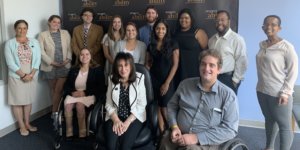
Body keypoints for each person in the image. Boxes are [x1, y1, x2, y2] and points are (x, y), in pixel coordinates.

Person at [159, 49, 239, 150]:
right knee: (165, 142)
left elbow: (230, 129)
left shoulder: (228, 96)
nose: (206, 68)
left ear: (219, 69)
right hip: (178, 135)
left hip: (207, 143)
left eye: (212, 65)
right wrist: (174, 127)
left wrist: (196, 138)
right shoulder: (185, 85)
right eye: (203, 64)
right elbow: (172, 106)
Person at [256, 15, 298, 150]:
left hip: (278, 93)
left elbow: (293, 72)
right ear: (262, 27)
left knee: (284, 126)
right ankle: (269, 147)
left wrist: (286, 93)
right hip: (262, 91)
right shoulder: (262, 44)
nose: (269, 27)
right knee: (269, 120)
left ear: (279, 28)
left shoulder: (286, 47)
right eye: (266, 24)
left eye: (273, 24)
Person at [4, 20, 41, 136]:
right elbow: (10, 63)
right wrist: (23, 75)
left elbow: (38, 59)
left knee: (28, 100)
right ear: (15, 29)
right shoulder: (9, 43)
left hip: (32, 74)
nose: (22, 30)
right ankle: (21, 126)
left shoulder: (34, 42)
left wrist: (31, 74)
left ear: (27, 29)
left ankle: (27, 123)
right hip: (17, 75)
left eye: (24, 28)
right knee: (17, 102)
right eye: (19, 28)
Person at [104, 52, 147, 150]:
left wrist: (127, 122)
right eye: (120, 66)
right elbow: (108, 103)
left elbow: (141, 105)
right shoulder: (112, 79)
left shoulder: (139, 79)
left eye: (126, 65)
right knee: (110, 146)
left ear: (131, 66)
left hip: (134, 117)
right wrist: (116, 120)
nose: (123, 69)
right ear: (116, 67)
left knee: (125, 146)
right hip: (115, 115)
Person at [145, 19, 179, 134]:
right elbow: (148, 63)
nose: (160, 31)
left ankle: (173, 132)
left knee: (165, 107)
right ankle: (162, 134)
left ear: (166, 30)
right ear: (154, 30)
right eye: (158, 28)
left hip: (167, 80)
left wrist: (167, 83)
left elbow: (175, 65)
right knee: (158, 106)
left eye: (163, 28)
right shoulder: (151, 45)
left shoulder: (173, 43)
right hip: (154, 79)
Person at [63, 48, 106, 139]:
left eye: (87, 54)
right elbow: (67, 85)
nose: (84, 56)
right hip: (74, 94)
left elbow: (101, 87)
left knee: (79, 105)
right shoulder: (74, 69)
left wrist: (85, 92)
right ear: (79, 57)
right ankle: (69, 132)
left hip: (89, 95)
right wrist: (72, 92)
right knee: (68, 106)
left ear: (91, 56)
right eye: (82, 54)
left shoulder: (97, 69)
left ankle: (82, 133)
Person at [38, 15, 72, 124]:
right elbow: (41, 51)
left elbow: (70, 47)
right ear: (49, 22)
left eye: (58, 22)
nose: (56, 24)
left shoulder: (65, 33)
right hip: (50, 66)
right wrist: (52, 62)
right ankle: (58, 112)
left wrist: (67, 60)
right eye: (54, 22)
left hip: (63, 65)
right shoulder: (42, 35)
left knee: (58, 89)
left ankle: (54, 113)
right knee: (53, 90)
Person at [208, 10, 247, 94]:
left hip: (228, 79)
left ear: (229, 21)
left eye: (222, 20)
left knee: (227, 106)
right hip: (212, 78)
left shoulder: (237, 39)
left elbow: (242, 61)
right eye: (217, 20)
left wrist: (235, 81)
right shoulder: (211, 40)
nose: (219, 22)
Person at [173, 8, 208, 87]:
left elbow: (206, 52)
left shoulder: (198, 32)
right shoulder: (175, 33)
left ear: (191, 19)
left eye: (186, 18)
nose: (183, 20)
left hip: (193, 69)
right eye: (181, 18)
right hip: (178, 69)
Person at [102, 15, 125, 84]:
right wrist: (115, 64)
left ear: (121, 23)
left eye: (119, 22)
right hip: (111, 63)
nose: (117, 24)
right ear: (112, 24)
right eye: (114, 22)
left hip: (123, 65)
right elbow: (106, 54)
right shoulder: (107, 36)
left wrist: (120, 64)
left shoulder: (125, 36)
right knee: (111, 84)